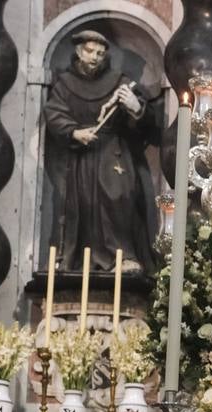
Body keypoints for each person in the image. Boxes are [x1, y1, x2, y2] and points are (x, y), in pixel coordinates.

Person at [44, 29, 160, 274]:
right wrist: (74, 132)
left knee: (119, 197)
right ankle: (76, 259)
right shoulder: (65, 84)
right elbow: (54, 113)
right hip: (81, 157)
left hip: (114, 152)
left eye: (99, 53)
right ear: (78, 52)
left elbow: (148, 123)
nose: (95, 57)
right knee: (81, 204)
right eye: (90, 51)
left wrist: (135, 107)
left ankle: (122, 255)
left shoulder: (121, 82)